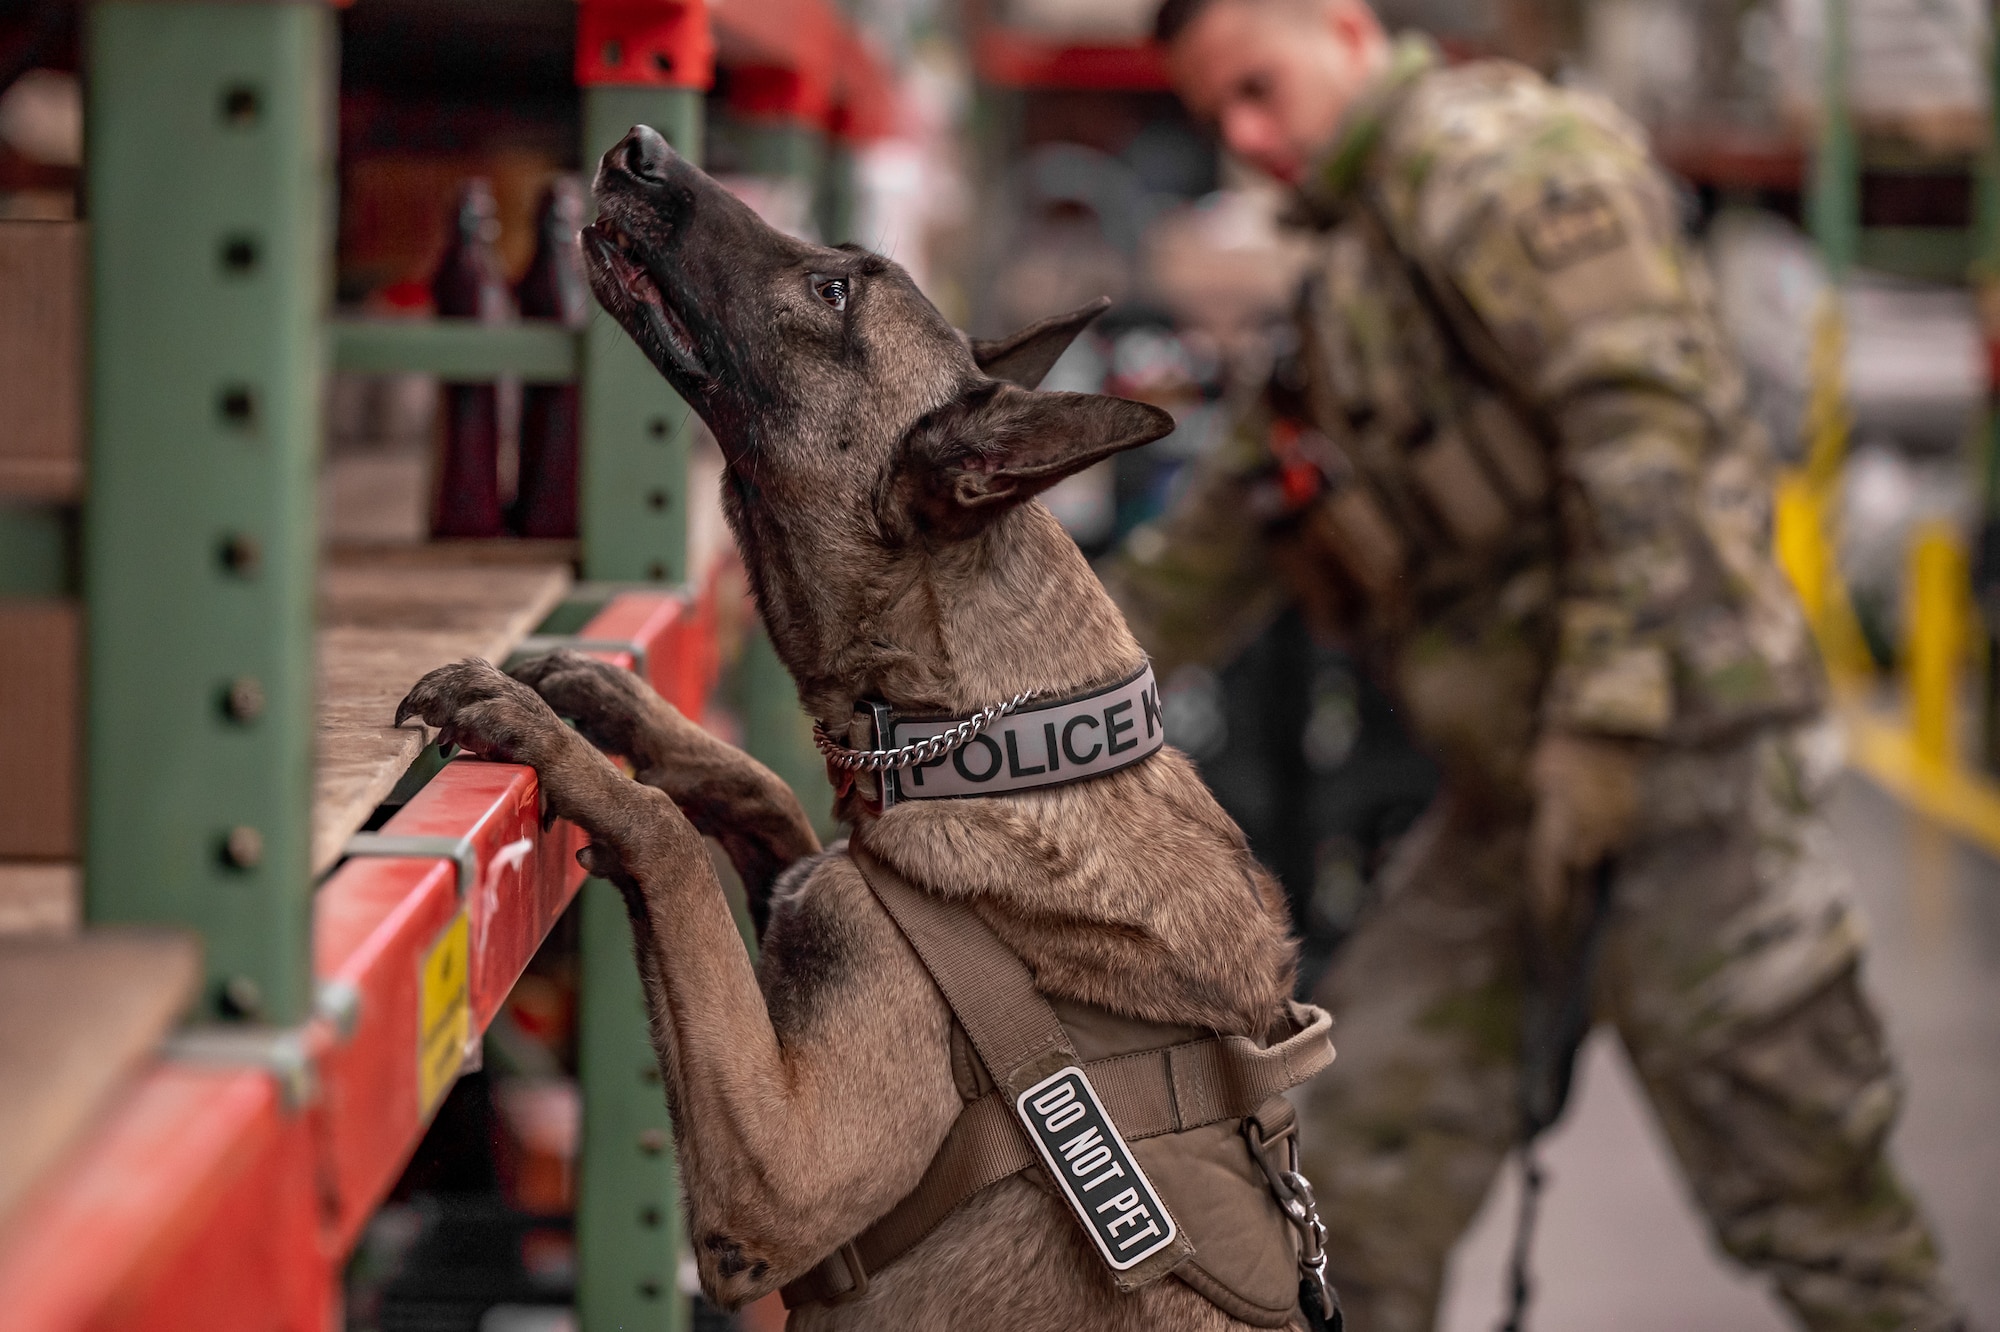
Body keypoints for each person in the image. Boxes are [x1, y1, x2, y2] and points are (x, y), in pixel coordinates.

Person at [1104, 1, 1969, 1328]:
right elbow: (1230, 531)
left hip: (1687, 779)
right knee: (1356, 1160)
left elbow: (1649, 440)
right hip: (1514, 797)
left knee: (1813, 1206)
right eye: (1217, 115)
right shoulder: (1360, 270)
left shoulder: (1502, 166)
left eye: (1260, 89)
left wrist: (1607, 730)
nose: (1248, 137)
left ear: (1342, 26)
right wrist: (1063, 687)